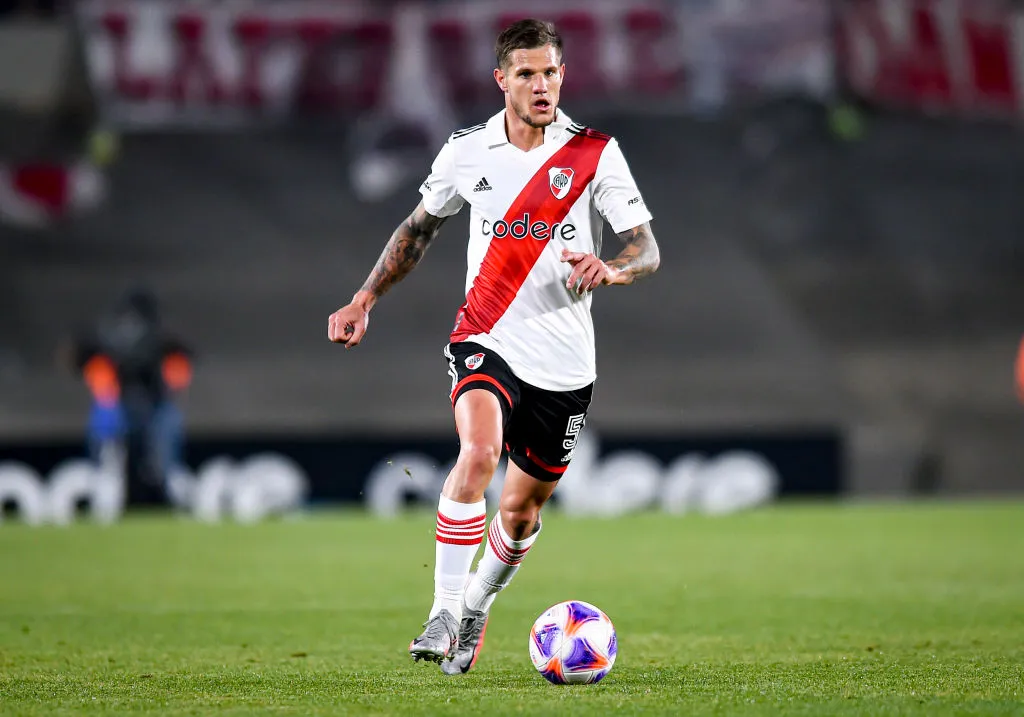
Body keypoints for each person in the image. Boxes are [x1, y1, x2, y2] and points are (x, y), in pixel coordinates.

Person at [327, 18, 660, 674]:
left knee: (520, 510)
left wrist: (612, 267)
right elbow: (418, 230)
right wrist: (364, 298)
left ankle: (477, 604)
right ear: (501, 79)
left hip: (565, 361)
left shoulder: (594, 151)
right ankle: (443, 610)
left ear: (564, 75)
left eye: (552, 72)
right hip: (485, 336)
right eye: (528, 73)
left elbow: (646, 246)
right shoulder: (467, 152)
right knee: (477, 454)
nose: (542, 85)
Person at [67, 287, 193, 505]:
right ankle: (107, 477)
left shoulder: (162, 342)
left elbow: (179, 372)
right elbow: (76, 359)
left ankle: (169, 476)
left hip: (153, 408)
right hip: (119, 407)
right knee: (105, 412)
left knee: (169, 419)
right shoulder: (107, 339)